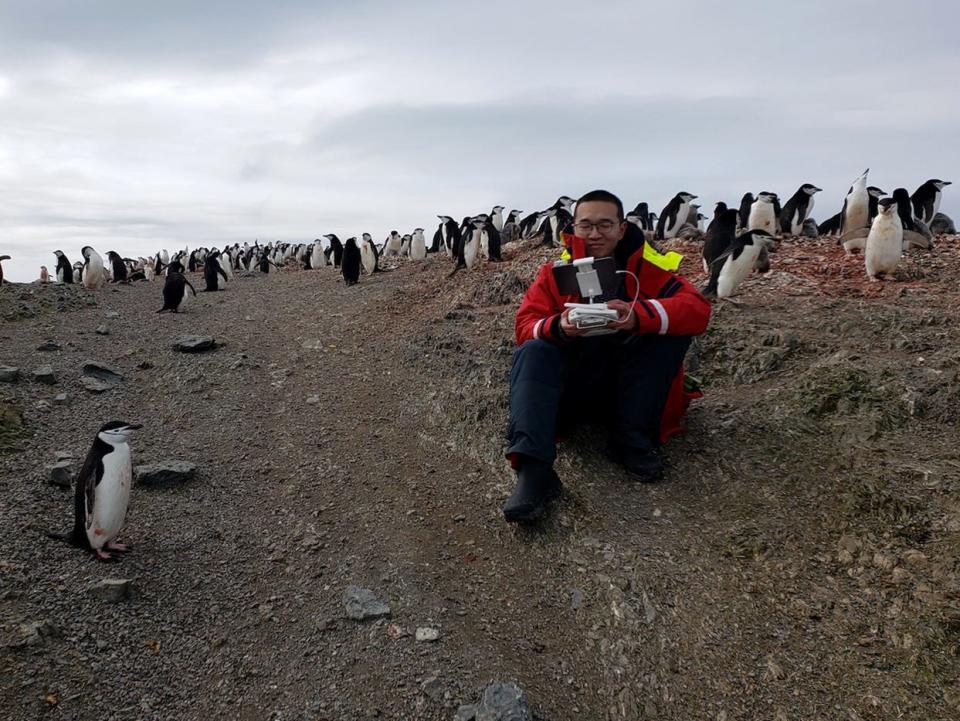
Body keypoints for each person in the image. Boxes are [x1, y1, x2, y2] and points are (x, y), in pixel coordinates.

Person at [502, 189, 712, 523]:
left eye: (605, 224)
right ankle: (534, 470)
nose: (595, 233)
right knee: (534, 349)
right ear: (573, 227)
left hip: (629, 392)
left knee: (666, 335)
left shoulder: (649, 268)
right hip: (571, 392)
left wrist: (637, 314)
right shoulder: (556, 273)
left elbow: (698, 310)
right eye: (586, 225)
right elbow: (525, 325)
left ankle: (631, 438)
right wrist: (559, 325)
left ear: (622, 228)